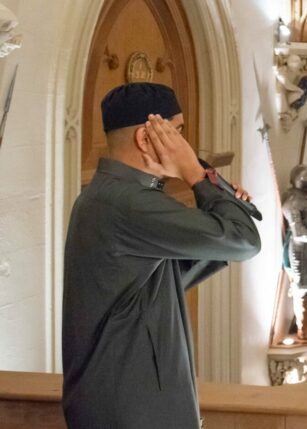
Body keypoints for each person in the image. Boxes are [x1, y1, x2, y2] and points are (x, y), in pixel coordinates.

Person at [62, 83, 261, 429]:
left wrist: (217, 194)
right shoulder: (124, 203)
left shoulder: (114, 198)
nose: (184, 145)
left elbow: (166, 280)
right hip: (131, 413)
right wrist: (197, 175)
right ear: (146, 137)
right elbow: (244, 241)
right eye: (178, 132)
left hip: (130, 408)